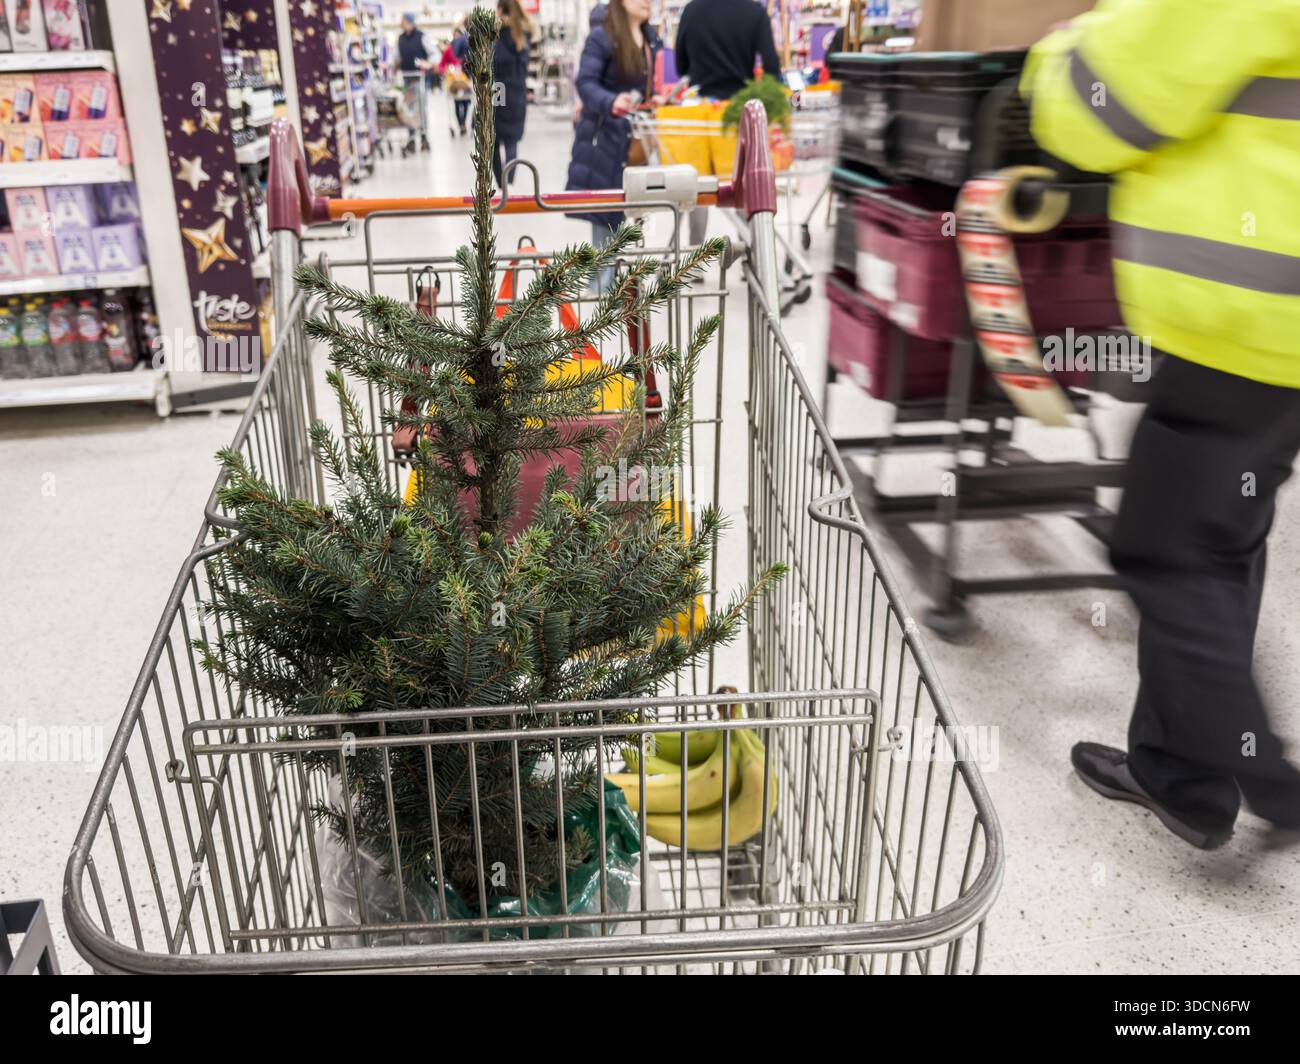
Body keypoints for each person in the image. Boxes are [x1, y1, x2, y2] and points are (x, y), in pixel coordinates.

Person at [1022, 1, 1300, 850]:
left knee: (1162, 548)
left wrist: (1052, 59)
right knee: (1219, 538)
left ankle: (1266, 777)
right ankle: (1179, 776)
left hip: (1243, 311)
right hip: (1273, 323)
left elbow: (1115, 97)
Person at [565, 0, 661, 292]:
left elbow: (642, 84)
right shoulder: (603, 37)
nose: (647, 2)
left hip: (630, 140)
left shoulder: (649, 38)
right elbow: (586, 82)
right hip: (603, 139)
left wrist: (653, 98)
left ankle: (607, 290)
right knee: (605, 215)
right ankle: (598, 295)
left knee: (619, 215)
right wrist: (611, 102)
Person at [674, 0, 781, 244]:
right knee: (742, 180)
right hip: (738, 112)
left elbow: (681, 66)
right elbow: (772, 67)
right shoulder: (755, 12)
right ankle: (751, 251)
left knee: (698, 182)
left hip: (700, 111)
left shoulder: (692, 10)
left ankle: (695, 256)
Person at [492, 0, 533, 190]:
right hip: (518, 90)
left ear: (500, 9)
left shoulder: (494, 33)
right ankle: (509, 183)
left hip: (498, 89)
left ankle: (501, 183)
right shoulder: (524, 34)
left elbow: (491, 65)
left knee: (493, 138)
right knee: (512, 139)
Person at [395, 13, 433, 154]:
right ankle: (411, 136)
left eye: (405, 21)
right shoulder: (400, 38)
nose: (403, 23)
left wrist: (427, 63)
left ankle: (423, 136)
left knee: (421, 108)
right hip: (406, 79)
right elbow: (397, 57)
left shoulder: (421, 36)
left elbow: (434, 54)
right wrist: (392, 66)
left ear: (410, 22)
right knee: (408, 108)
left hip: (420, 79)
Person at [440, 25, 472, 136]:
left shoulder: (458, 46)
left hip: (460, 79)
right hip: (460, 79)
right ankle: (462, 124)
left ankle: (462, 124)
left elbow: (443, 64)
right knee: (462, 102)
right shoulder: (466, 43)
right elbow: (442, 64)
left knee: (462, 102)